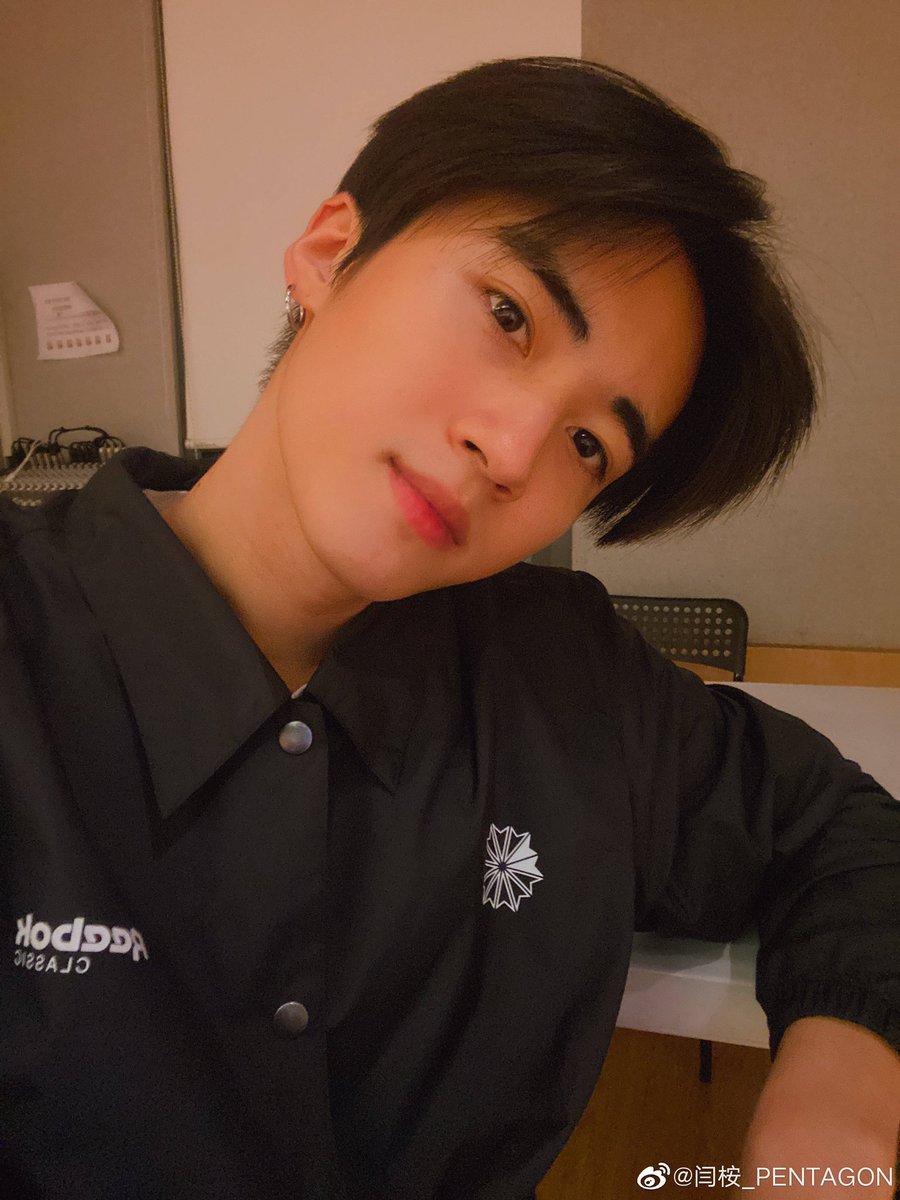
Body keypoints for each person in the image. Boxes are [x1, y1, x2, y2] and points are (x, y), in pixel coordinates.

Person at [1, 56, 897, 1200]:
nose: (513, 452)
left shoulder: (567, 682)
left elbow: (837, 829)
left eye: (590, 445)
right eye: (509, 314)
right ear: (330, 253)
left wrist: (843, 1086)